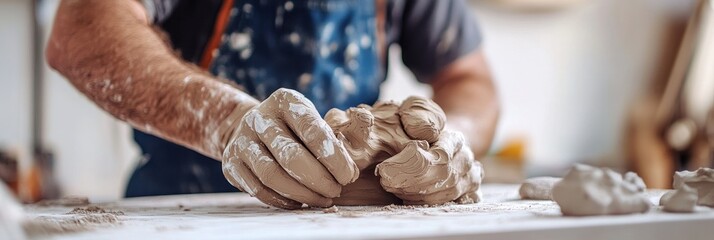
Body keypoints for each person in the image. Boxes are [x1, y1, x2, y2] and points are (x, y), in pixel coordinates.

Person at [46, 0, 499, 208]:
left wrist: (450, 140)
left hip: (345, 223)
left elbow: (468, 80)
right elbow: (81, 30)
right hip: (187, 216)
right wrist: (228, 122)